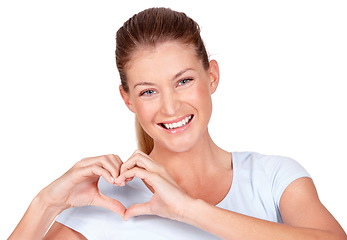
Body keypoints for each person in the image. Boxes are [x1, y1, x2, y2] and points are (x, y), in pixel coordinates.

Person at [9, 7, 346, 240]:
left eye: (183, 81)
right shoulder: (104, 202)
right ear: (128, 100)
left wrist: (189, 211)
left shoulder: (273, 178)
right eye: (149, 91)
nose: (170, 107)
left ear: (211, 76)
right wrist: (46, 203)